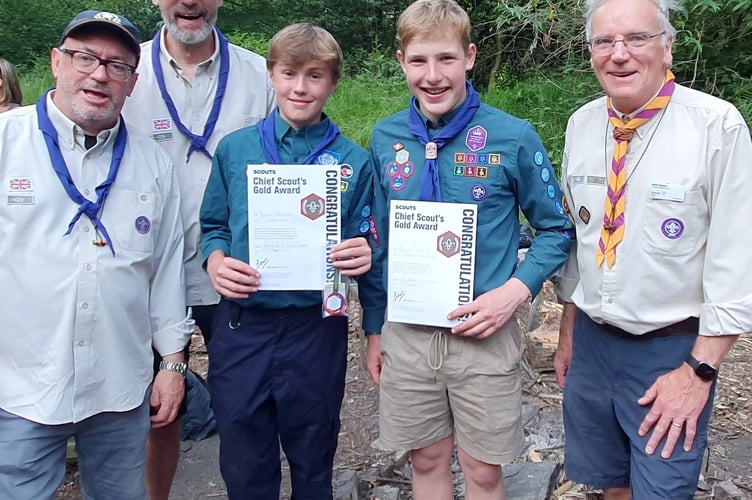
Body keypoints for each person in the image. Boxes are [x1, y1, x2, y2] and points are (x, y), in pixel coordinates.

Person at [365, 1, 574, 498]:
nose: (433, 76)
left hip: (485, 330)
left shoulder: (512, 136)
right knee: (427, 459)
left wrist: (515, 293)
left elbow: (557, 229)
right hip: (409, 334)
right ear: (401, 62)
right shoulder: (385, 137)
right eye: (419, 61)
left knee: (482, 469)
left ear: (470, 57)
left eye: (446, 59)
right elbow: (379, 240)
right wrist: (375, 328)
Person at [553, 0, 752, 498]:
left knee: (662, 490)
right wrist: (568, 332)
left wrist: (700, 371)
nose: (619, 54)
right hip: (593, 348)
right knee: (608, 484)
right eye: (604, 42)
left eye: (636, 38)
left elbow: (737, 259)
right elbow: (582, 241)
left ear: (668, 46)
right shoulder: (582, 125)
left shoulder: (717, 128)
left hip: (672, 351)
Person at [0, 10, 193, 500]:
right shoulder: (7, 142)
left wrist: (171, 365)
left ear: (132, 82)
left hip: (118, 386)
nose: (99, 74)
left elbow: (167, 270)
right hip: (21, 384)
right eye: (85, 58)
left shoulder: (154, 164)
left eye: (117, 65)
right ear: (56, 63)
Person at [200, 22, 380, 498]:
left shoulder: (353, 162)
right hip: (242, 325)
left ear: (334, 82)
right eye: (289, 73)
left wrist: (364, 251)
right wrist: (216, 260)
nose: (301, 87)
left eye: (315, 75)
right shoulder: (236, 150)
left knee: (313, 453)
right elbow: (214, 224)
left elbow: (366, 238)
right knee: (244, 460)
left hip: (314, 328)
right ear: (271, 75)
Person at [121, 1, 275, 497]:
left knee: (243, 404)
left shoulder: (262, 76)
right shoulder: (126, 71)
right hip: (146, 272)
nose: (189, 2)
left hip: (235, 273)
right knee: (156, 411)